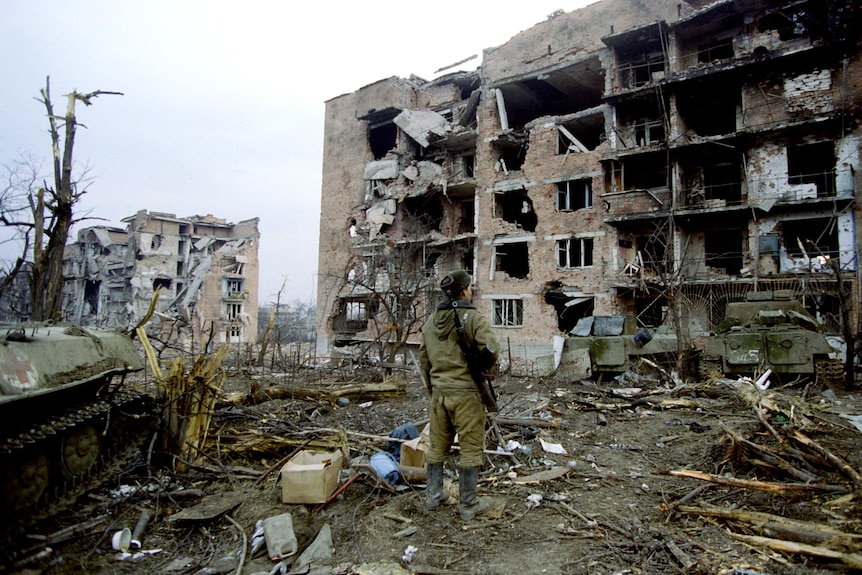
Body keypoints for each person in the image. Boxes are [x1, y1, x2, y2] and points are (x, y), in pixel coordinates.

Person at [419, 270, 498, 521]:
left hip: (440, 394)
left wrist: (434, 391)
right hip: (466, 395)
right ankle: (468, 506)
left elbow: (424, 362)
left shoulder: (431, 321)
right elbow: (493, 351)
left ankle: (432, 498)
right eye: (470, 287)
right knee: (470, 449)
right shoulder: (473, 317)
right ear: (464, 291)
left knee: (437, 448)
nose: (471, 291)